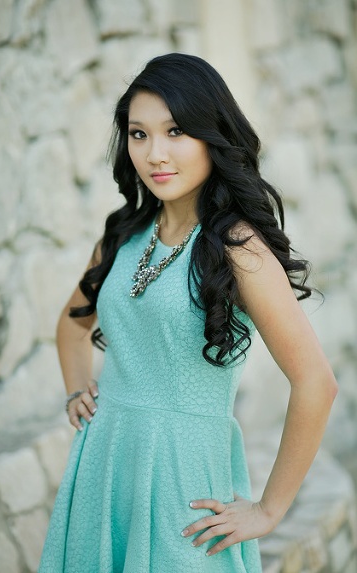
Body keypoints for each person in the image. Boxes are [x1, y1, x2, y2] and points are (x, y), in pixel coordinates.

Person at [37, 54, 338, 572]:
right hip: (103, 468)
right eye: (138, 134)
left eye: (175, 131)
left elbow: (316, 382)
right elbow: (71, 326)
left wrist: (269, 510)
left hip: (184, 480)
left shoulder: (237, 247)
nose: (155, 153)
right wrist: (77, 388)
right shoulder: (123, 235)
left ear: (210, 135)